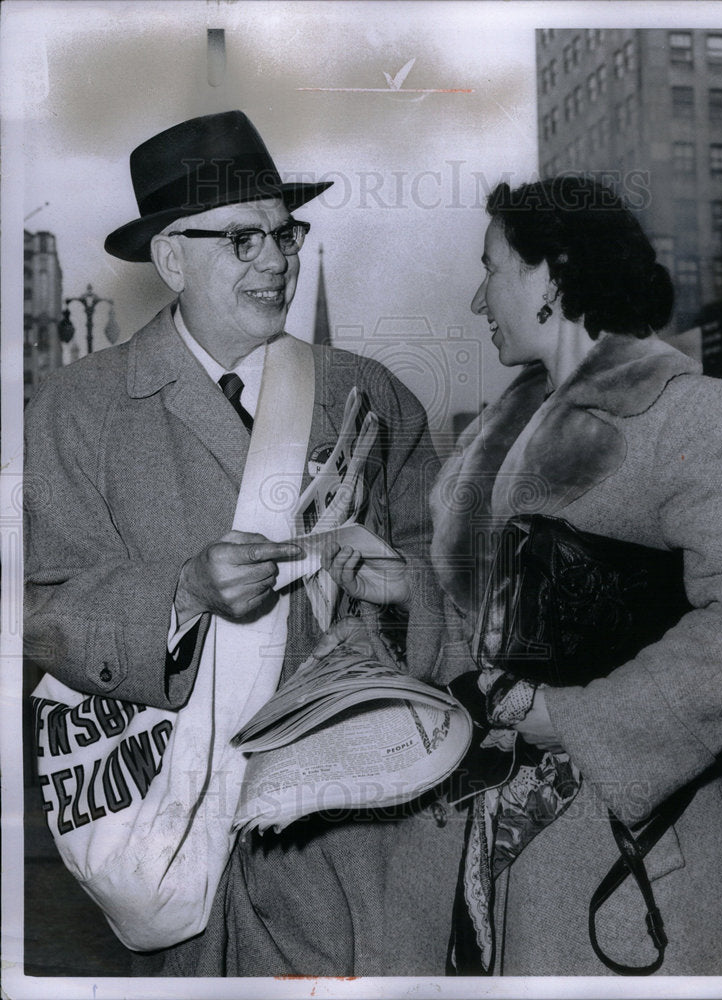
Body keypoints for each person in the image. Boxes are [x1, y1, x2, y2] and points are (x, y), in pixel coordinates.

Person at [24, 110, 462, 976]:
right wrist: (180, 594)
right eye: (242, 239)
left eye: (284, 233)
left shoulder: (369, 395)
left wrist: (405, 589)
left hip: (360, 838)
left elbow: (454, 593)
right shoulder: (77, 410)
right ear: (171, 257)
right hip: (185, 829)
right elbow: (38, 607)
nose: (276, 261)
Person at [430, 176, 722, 975]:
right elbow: (488, 627)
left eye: (491, 268)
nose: (478, 298)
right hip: (514, 842)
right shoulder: (507, 428)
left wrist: (584, 719)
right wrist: (399, 586)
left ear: (550, 274)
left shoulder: (679, 410)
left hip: (636, 856)